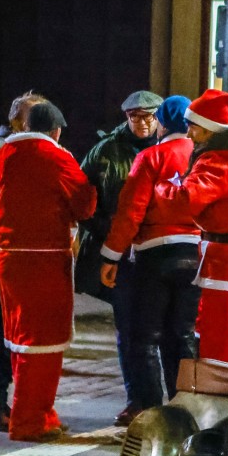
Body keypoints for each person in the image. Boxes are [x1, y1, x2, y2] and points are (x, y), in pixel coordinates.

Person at [0, 101, 97, 441]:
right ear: (55, 130)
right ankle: (28, 421)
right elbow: (84, 204)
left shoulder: (6, 156)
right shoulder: (56, 157)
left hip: (11, 259)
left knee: (22, 341)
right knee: (43, 344)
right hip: (45, 259)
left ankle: (43, 411)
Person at [155, 89, 228, 367]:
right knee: (222, 331)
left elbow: (183, 202)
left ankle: (224, 400)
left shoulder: (220, 159)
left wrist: (162, 186)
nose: (189, 135)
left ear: (211, 130)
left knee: (222, 342)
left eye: (194, 128)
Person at [98, 95, 202, 412]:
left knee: (145, 335)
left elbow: (130, 212)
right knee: (183, 333)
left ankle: (147, 407)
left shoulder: (151, 158)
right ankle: (185, 404)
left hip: (155, 254)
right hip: (196, 254)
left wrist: (111, 256)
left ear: (163, 122)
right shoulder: (203, 157)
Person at [76, 89, 163, 424]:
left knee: (158, 329)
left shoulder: (169, 149)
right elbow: (83, 197)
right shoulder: (105, 152)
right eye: (135, 117)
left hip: (157, 248)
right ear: (126, 117)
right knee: (128, 328)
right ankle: (137, 399)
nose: (142, 123)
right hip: (119, 250)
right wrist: (105, 231)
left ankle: (164, 399)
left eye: (148, 116)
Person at [0, 90, 48, 432]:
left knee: (22, 331)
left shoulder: (37, 150)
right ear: (17, 120)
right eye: (36, 116)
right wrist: (7, 238)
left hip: (25, 252)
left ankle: (15, 402)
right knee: (5, 329)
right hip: (3, 252)